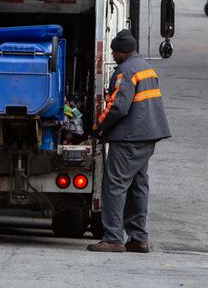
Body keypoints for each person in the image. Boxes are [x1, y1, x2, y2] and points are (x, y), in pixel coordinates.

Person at [87, 29, 171, 253]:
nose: (113, 56)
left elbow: (118, 106)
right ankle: (138, 238)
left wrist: (98, 126)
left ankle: (113, 238)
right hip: (147, 136)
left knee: (115, 185)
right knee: (137, 185)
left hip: (129, 137)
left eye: (114, 52)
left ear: (123, 52)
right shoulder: (146, 68)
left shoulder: (125, 71)